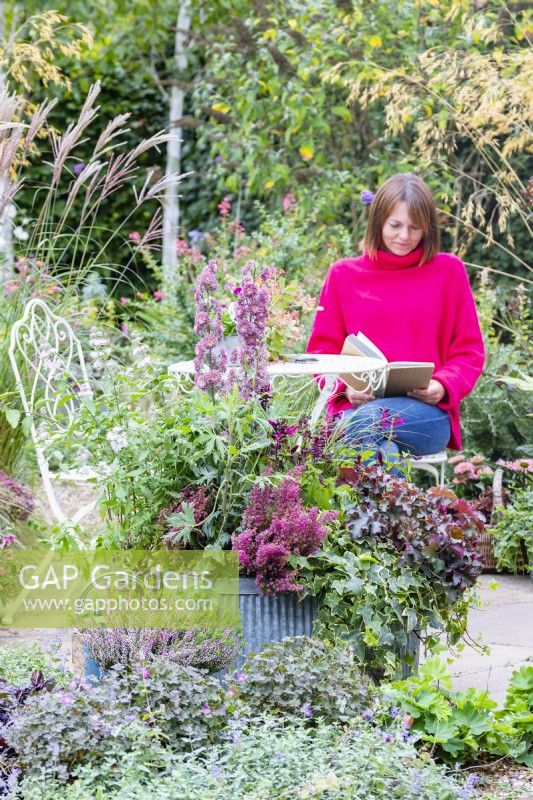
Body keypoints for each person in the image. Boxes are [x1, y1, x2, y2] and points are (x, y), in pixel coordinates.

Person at [306, 173, 485, 468]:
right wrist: (345, 388)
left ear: (427, 228)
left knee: (359, 426)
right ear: (378, 222)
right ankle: (397, 514)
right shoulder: (343, 275)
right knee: (378, 445)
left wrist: (442, 385)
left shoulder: (448, 272)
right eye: (395, 225)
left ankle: (364, 514)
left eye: (414, 228)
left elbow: (469, 351)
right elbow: (321, 354)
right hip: (358, 408)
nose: (404, 236)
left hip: (426, 416)